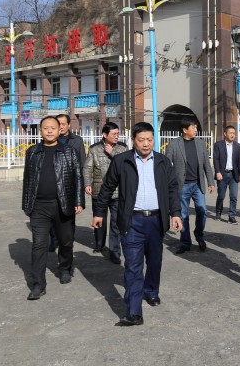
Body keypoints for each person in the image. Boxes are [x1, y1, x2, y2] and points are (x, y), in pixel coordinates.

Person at [92, 122, 182, 326]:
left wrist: (175, 214)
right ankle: (134, 312)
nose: (146, 143)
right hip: (131, 221)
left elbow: (172, 189)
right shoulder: (122, 161)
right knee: (133, 265)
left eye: (149, 139)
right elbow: (107, 187)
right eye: (141, 140)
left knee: (155, 261)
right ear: (133, 140)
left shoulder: (163, 161)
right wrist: (99, 213)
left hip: (156, 221)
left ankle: (151, 290)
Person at [22, 116, 85, 300]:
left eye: (53, 128)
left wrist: (79, 201)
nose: (49, 131)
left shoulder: (69, 151)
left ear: (60, 130)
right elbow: (27, 179)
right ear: (40, 131)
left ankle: (64, 268)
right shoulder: (32, 152)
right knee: (39, 245)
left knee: (66, 241)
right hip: (39, 206)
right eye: (45, 128)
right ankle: (38, 285)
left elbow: (78, 177)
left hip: (63, 204)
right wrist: (26, 204)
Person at [165, 116, 215, 254]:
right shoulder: (174, 144)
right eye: (193, 127)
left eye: (196, 127)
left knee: (202, 211)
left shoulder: (200, 143)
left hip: (198, 184)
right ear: (184, 130)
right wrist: (169, 184)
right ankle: (185, 242)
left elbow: (206, 164)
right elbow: (167, 165)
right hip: (182, 186)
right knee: (183, 215)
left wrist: (211, 182)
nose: (195, 129)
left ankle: (199, 235)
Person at [84, 122, 128, 263]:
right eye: (114, 134)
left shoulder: (123, 148)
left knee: (116, 224)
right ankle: (99, 244)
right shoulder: (94, 149)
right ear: (104, 134)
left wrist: (112, 153)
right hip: (99, 191)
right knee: (99, 220)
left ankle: (114, 252)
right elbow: (87, 168)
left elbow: (126, 166)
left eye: (118, 134)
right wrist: (87, 183)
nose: (116, 136)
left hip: (118, 192)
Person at [47, 114, 86, 253]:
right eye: (59, 124)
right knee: (52, 215)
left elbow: (82, 163)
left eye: (63, 124)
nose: (61, 126)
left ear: (69, 125)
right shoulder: (51, 139)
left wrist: (82, 186)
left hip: (70, 185)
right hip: (53, 184)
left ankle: (68, 240)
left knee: (69, 215)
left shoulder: (77, 141)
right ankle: (54, 240)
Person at [213, 125, 240, 224]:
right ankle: (218, 212)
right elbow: (216, 159)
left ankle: (232, 216)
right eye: (230, 133)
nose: (232, 135)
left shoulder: (237, 146)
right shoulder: (218, 145)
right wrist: (217, 172)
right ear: (225, 134)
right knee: (221, 196)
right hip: (222, 174)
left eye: (234, 133)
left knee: (234, 196)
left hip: (233, 175)